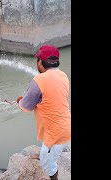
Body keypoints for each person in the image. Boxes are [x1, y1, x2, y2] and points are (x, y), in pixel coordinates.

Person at [16, 45, 71, 180]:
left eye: (37, 60)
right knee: (48, 150)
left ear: (40, 62)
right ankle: (45, 154)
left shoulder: (39, 80)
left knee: (48, 164)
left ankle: (53, 175)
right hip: (64, 124)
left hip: (55, 132)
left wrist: (19, 101)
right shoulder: (63, 75)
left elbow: (25, 107)